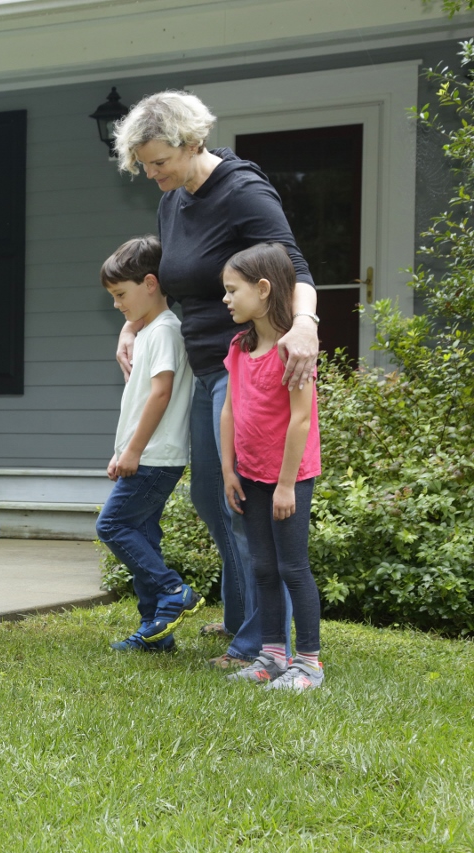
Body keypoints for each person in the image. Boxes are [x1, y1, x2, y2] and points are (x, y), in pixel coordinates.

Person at [112, 90, 320, 668]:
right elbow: (167, 276)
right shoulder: (175, 199)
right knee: (212, 494)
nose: (151, 174)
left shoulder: (242, 192)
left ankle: (258, 639)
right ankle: (241, 618)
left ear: (192, 142)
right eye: (144, 164)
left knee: (239, 501)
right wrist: (135, 323)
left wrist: (304, 323)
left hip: (249, 367)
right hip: (207, 366)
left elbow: (293, 267)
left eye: (158, 161)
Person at [219, 243, 324, 690]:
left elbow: (301, 418)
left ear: (263, 289)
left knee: (292, 567)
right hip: (250, 475)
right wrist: (228, 470)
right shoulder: (240, 346)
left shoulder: (293, 351)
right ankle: (272, 655)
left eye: (232, 290)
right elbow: (228, 410)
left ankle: (309, 663)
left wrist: (285, 486)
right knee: (262, 566)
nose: (226, 299)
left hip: (289, 479)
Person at [96, 236, 201, 652]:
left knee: (113, 525)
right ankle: (156, 631)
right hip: (145, 454)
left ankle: (174, 590)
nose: (117, 304)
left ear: (151, 283)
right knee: (143, 533)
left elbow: (161, 395)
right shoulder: (149, 331)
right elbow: (139, 399)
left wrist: (134, 451)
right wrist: (122, 450)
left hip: (155, 457)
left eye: (121, 294)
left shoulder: (164, 332)